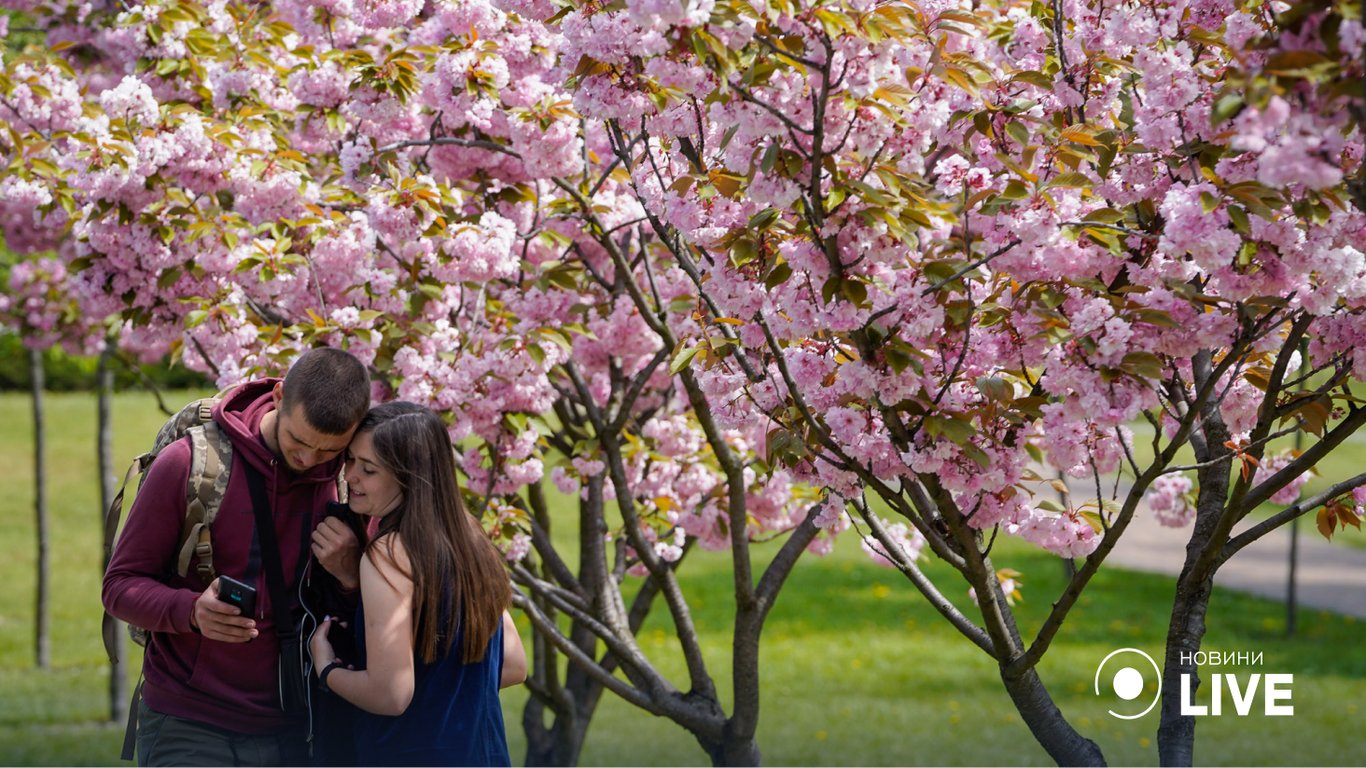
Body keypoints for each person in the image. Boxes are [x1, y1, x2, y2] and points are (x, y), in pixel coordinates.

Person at [103, 347, 371, 766]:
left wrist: (350, 576)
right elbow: (119, 587)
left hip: (297, 723)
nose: (307, 459)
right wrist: (192, 610)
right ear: (280, 396)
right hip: (187, 719)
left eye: (327, 450)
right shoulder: (189, 463)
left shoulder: (351, 480)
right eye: (297, 440)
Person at [309, 401, 526, 767]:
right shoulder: (471, 542)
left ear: (407, 476)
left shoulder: (388, 554)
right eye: (350, 460)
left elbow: (391, 695)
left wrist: (327, 668)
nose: (350, 477)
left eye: (369, 469)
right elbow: (513, 665)